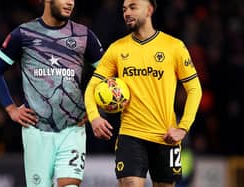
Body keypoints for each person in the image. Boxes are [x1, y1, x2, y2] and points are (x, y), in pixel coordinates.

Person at [84, 0, 202, 187]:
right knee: (130, 183)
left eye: (132, 7)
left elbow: (194, 89)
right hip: (131, 135)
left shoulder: (174, 47)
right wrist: (94, 117)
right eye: (124, 9)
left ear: (149, 10)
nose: (127, 13)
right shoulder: (117, 49)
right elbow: (92, 86)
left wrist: (183, 128)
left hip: (166, 135)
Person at [0, 0, 103, 186]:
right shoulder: (23, 34)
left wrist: (94, 108)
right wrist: (11, 109)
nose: (70, 2)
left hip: (73, 129)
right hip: (36, 130)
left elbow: (107, 74)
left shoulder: (83, 35)